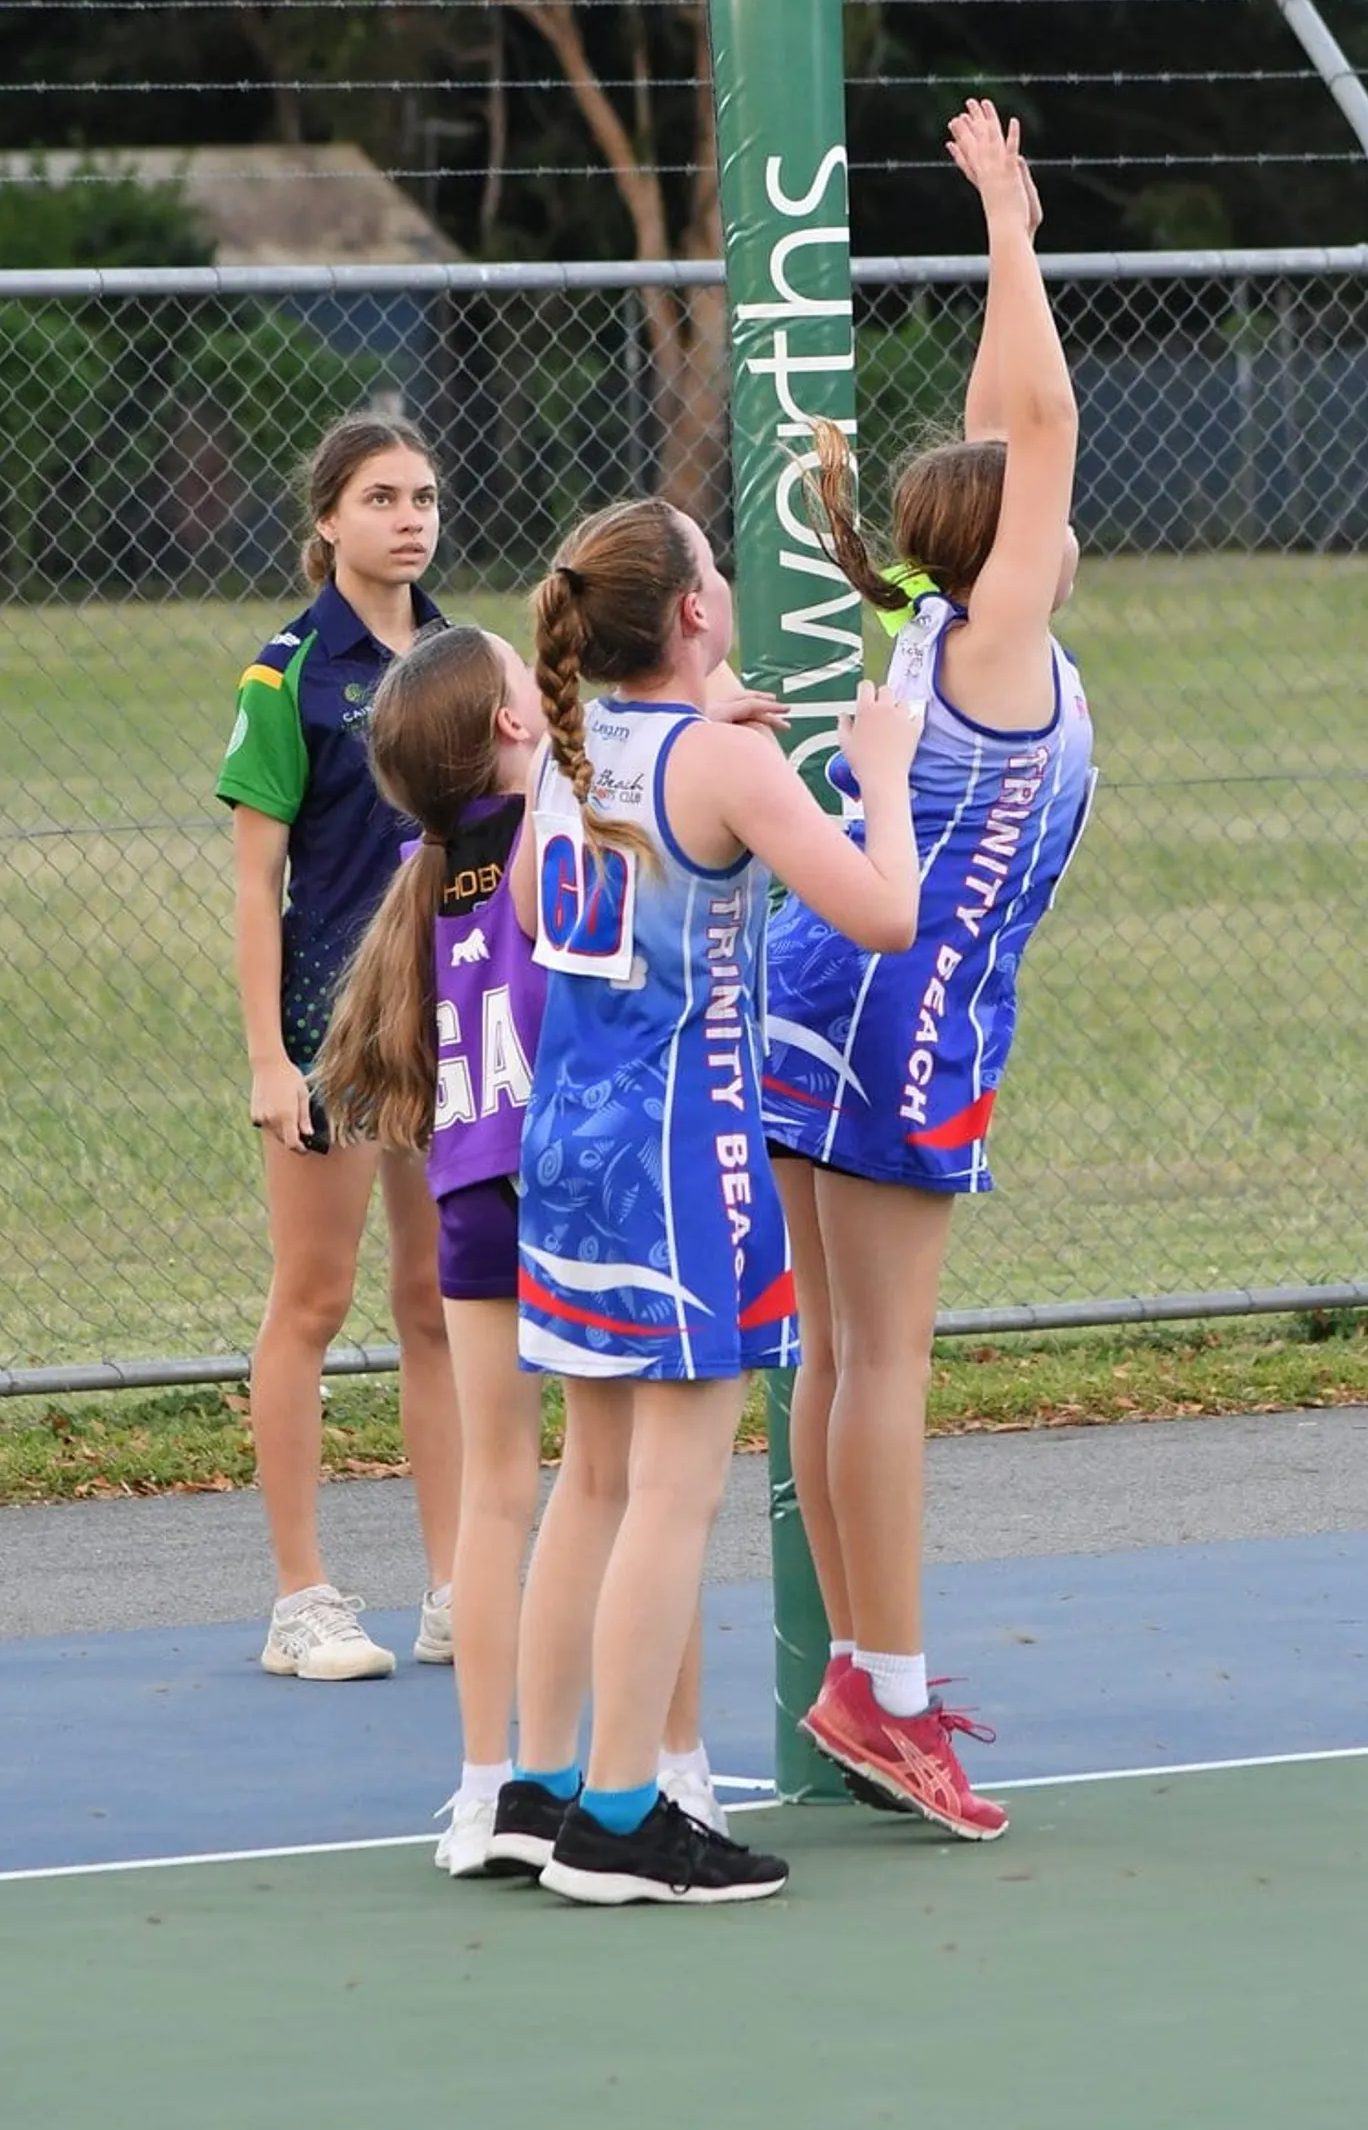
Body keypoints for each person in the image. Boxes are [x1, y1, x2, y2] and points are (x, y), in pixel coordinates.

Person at [488, 497, 925, 1910]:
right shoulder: (727, 764)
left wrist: (741, 739)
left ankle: (536, 1785)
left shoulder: (574, 742)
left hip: (570, 1141)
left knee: (594, 1479)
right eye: (713, 567)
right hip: (686, 1159)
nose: (728, 581)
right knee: (673, 1489)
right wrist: (884, 767)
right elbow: (883, 911)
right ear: (689, 612)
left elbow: (672, 818)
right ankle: (622, 1816)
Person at [761, 98, 1096, 1842]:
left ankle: (859, 1682)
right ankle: (886, 1694)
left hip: (822, 985)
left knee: (836, 1356)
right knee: (881, 1360)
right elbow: (1029, 416)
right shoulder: (997, 636)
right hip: (903, 1017)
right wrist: (1008, 225)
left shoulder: (929, 618)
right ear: (1011, 539)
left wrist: (1000, 232)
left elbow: (994, 427)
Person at [217, 415, 459, 1682]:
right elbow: (259, 887)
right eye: (380, 497)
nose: (408, 517)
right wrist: (271, 1057)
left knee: (440, 1300)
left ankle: (458, 1586)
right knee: (313, 1301)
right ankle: (300, 1598)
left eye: (421, 496)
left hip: (455, 1029)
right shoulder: (289, 674)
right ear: (327, 520)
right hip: (334, 1035)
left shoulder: (465, 660)